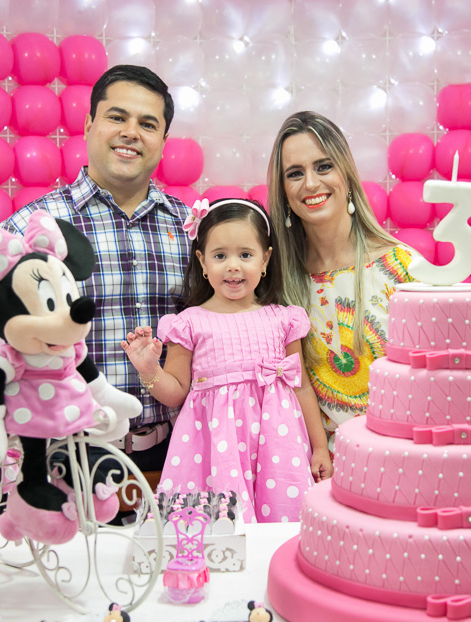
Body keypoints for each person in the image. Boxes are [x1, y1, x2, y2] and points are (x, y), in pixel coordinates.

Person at [3, 65, 191, 478]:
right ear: (89, 124)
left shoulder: (190, 229)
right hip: (65, 456)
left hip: (172, 458)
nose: (130, 133)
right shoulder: (33, 228)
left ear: (162, 140)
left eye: (147, 123)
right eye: (117, 117)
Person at [121, 199, 333, 522]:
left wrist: (319, 447)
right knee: (213, 534)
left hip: (277, 445)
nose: (233, 266)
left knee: (281, 526)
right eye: (220, 256)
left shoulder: (283, 319)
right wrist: (150, 369)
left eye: (245, 255)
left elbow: (301, 386)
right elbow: (177, 391)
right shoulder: (189, 323)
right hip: (214, 449)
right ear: (202, 263)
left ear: (266, 260)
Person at [266, 111, 418, 439]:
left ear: (345, 173)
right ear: (283, 191)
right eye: (295, 173)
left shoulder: (402, 269)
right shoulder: (274, 284)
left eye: (323, 166)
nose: (310, 184)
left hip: (398, 463)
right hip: (312, 473)